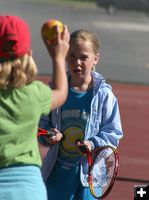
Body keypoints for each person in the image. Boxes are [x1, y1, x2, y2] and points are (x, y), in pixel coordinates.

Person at [38, 29, 123, 200]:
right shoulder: (55, 91)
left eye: (84, 57)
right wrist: (49, 135)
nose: (77, 62)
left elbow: (113, 133)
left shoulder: (104, 96)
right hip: (57, 173)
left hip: (90, 176)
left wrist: (93, 144)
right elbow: (41, 125)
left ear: (95, 59)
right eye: (72, 56)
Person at [0, 15, 70, 200]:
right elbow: (61, 91)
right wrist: (58, 57)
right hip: (28, 190)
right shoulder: (34, 94)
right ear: (28, 55)